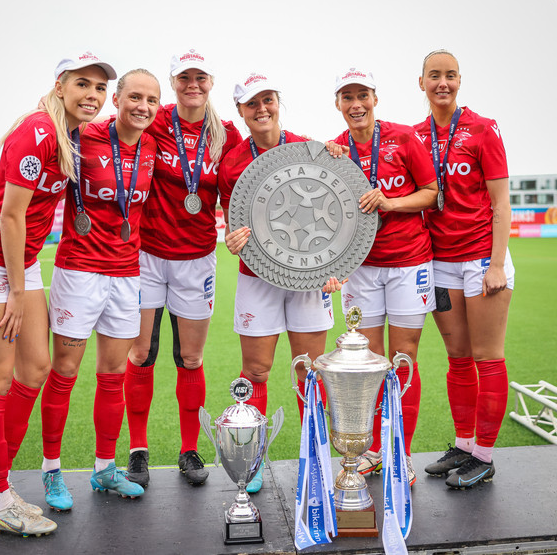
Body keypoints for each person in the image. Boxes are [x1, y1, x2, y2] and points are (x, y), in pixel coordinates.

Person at [0, 52, 115, 536]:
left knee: (36, 368)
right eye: (82, 84)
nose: (93, 94)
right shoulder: (39, 129)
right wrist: (17, 292)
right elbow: (9, 215)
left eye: (100, 87)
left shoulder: (72, 133)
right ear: (60, 85)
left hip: (18, 261)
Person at [39, 69, 161, 510]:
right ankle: (51, 470)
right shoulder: (80, 135)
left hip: (128, 275)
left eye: (151, 100)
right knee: (65, 371)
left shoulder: (152, 143)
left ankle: (105, 468)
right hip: (79, 271)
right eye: (134, 97)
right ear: (116, 99)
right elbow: (32, 170)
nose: (142, 107)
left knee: (112, 376)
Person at [124, 49, 243, 488]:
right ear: (173, 82)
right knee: (141, 353)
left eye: (200, 78)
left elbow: (261, 160)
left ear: (211, 82)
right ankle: (137, 450)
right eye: (184, 78)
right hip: (147, 255)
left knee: (190, 357)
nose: (193, 85)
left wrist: (326, 149)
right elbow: (99, 135)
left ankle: (189, 449)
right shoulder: (154, 120)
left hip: (197, 258)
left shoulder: (225, 133)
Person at [218, 72, 342, 493]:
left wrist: (338, 266)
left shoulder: (310, 148)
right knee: (256, 370)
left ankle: (317, 456)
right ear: (240, 111)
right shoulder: (232, 162)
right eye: (252, 103)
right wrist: (232, 240)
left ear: (278, 102)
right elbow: (234, 223)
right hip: (257, 277)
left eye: (268, 99)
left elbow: (339, 210)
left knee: (310, 372)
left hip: (308, 280)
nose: (262, 109)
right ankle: (251, 461)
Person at [330, 67, 439, 486]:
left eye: (363, 95)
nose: (356, 104)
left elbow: (432, 192)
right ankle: (372, 450)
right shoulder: (336, 149)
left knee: (403, 359)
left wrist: (391, 203)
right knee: (368, 364)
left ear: (375, 98)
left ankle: (401, 453)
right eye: (347, 97)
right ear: (338, 104)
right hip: (362, 270)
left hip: (409, 264)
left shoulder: (404, 138)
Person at [415, 50, 514, 489]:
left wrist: (497, 264)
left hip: (481, 261)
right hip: (440, 263)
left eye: (450, 75)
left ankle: (485, 457)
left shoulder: (482, 128)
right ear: (421, 82)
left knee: (487, 357)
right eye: (434, 75)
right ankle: (464, 445)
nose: (443, 82)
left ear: (459, 81)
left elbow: (501, 203)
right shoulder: (414, 136)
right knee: (457, 359)